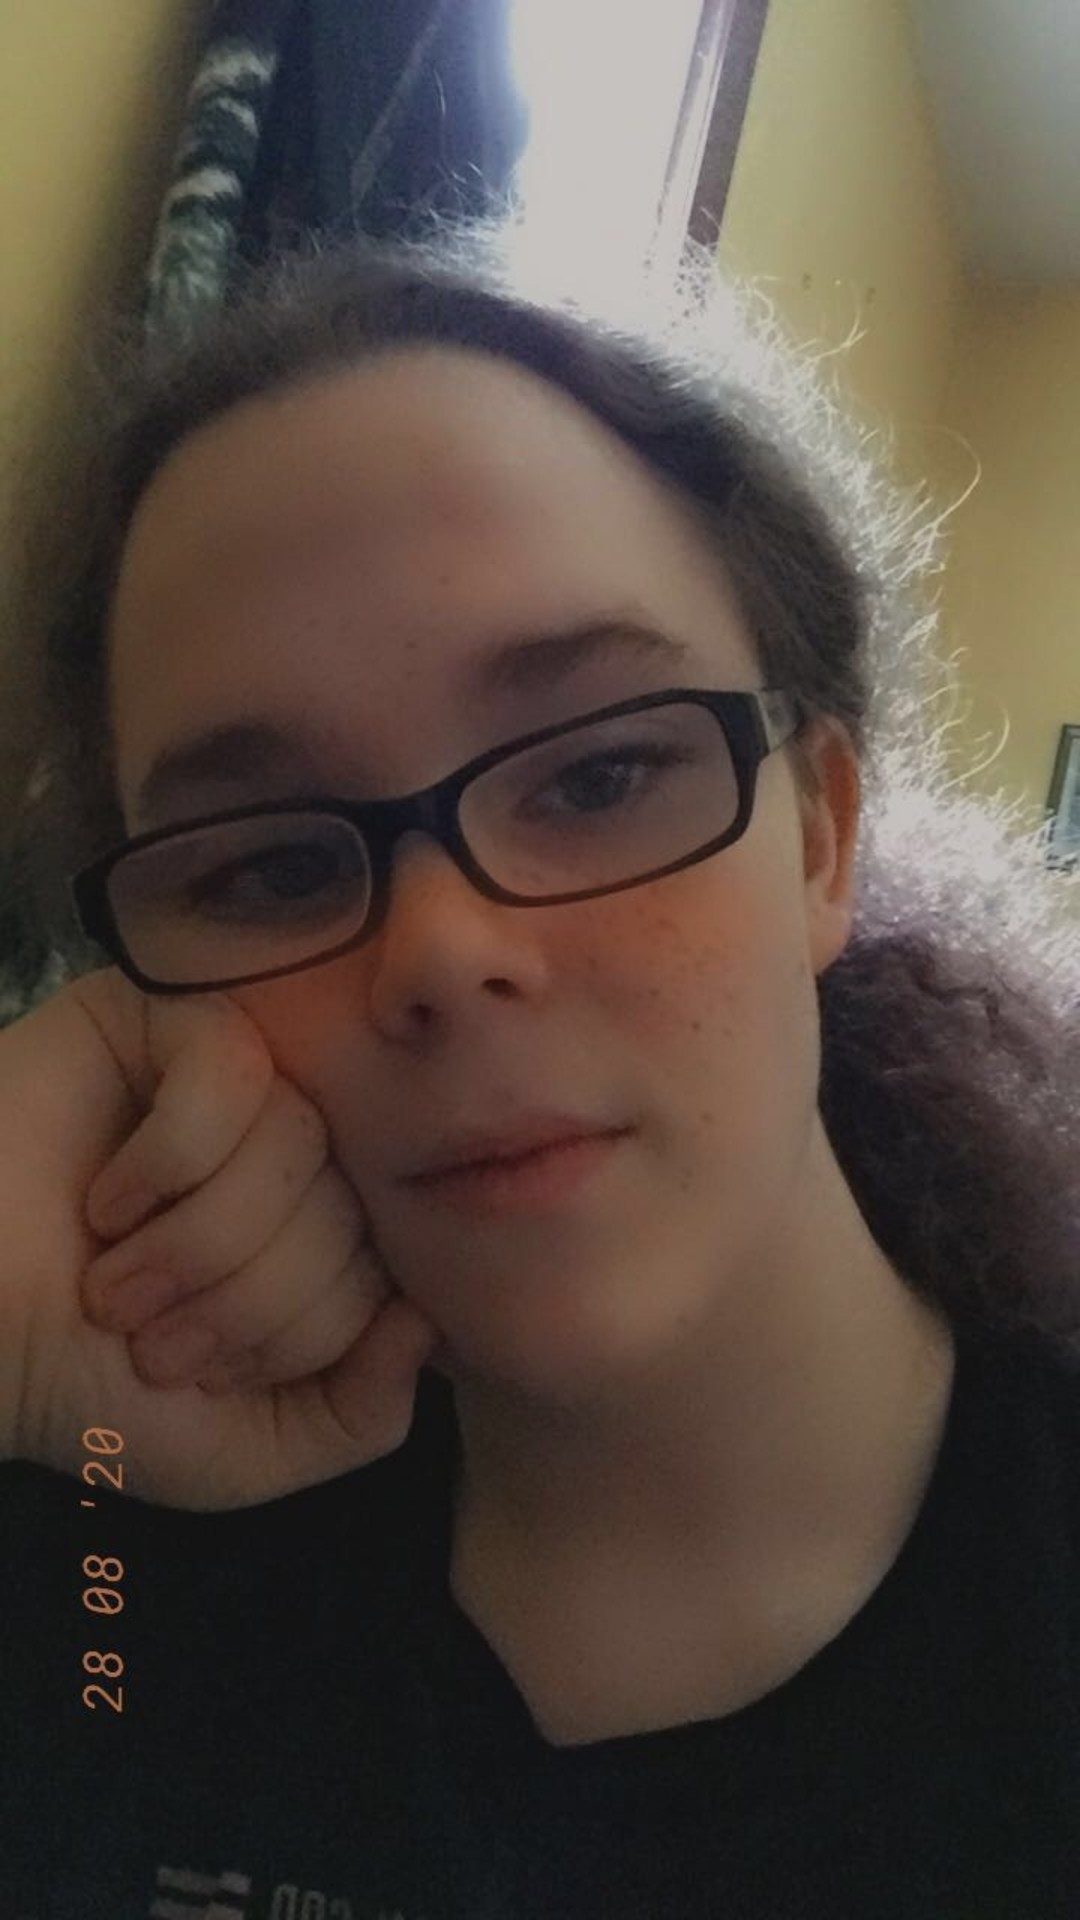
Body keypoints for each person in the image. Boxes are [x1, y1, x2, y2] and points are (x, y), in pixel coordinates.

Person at [1, 210, 1078, 1920]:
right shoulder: (96, 1534)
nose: (441, 952)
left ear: (818, 837)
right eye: (269, 867)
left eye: (595, 776)